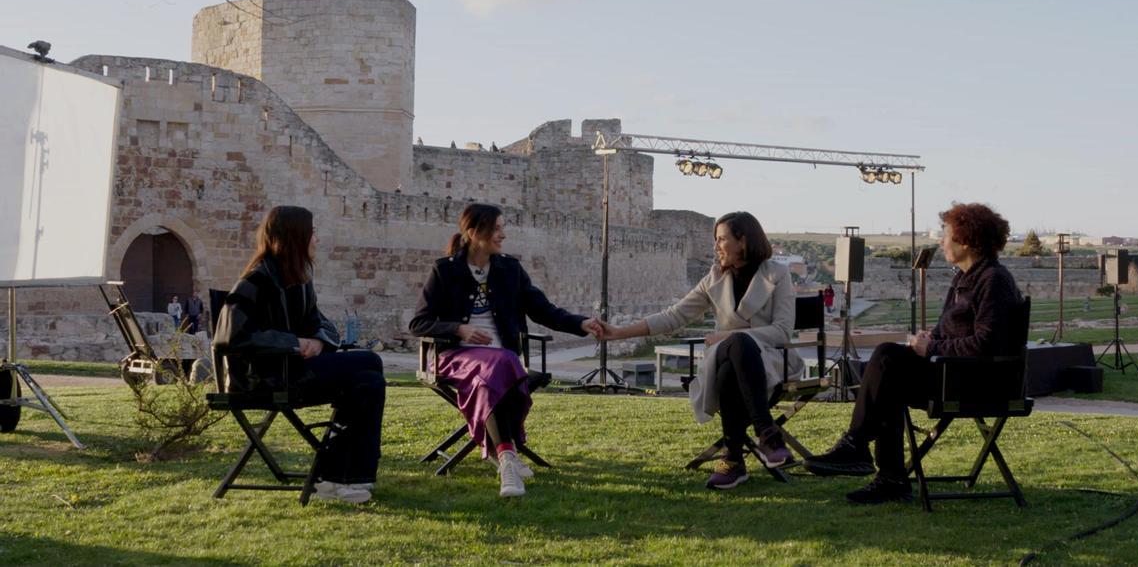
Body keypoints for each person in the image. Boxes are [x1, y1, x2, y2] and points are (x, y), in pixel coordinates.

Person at [803, 202, 1023, 504]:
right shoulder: (964, 278)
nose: (941, 242)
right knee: (887, 373)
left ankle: (860, 450)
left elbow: (986, 345)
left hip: (977, 382)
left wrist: (930, 347)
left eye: (946, 235)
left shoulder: (993, 280)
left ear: (967, 240)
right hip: (954, 373)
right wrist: (931, 339)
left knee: (886, 360)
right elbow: (958, 332)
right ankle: (887, 475)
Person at [409, 203, 603, 498]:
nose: (503, 235)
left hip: (501, 362)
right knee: (502, 366)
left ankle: (504, 457)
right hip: (456, 357)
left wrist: (581, 323)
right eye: (497, 229)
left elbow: (543, 310)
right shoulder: (445, 271)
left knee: (498, 369)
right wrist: (458, 329)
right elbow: (419, 323)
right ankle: (508, 460)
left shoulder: (510, 270)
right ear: (474, 233)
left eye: (502, 228)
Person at [598, 211, 796, 490]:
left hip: (771, 361)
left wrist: (729, 335)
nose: (716, 246)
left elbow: (783, 331)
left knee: (736, 351)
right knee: (733, 353)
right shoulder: (714, 278)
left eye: (722, 239)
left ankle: (733, 458)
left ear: (743, 241)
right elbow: (673, 316)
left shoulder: (777, 274)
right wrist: (619, 332)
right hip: (726, 358)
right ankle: (766, 435)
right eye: (715, 239)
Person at [213, 205, 386, 504]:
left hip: (292, 371)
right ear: (295, 237)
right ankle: (338, 477)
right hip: (263, 378)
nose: (316, 240)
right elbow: (229, 336)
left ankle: (337, 479)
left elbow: (323, 325)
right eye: (312, 233)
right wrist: (293, 343)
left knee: (368, 380)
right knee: (369, 363)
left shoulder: (300, 281)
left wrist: (317, 341)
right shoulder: (255, 281)